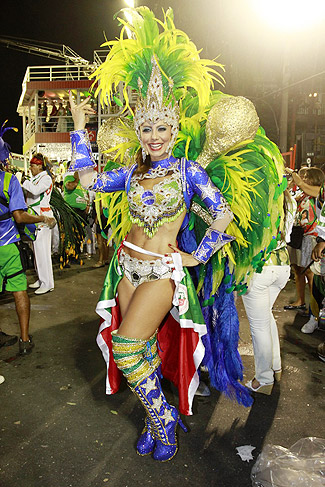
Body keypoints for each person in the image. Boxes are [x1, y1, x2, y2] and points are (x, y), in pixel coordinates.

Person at [67, 7, 285, 462]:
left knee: (125, 349)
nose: (153, 136)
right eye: (145, 127)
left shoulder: (188, 172)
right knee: (139, 350)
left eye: (162, 127)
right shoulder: (129, 174)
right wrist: (77, 129)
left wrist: (197, 256)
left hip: (162, 272)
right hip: (125, 266)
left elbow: (223, 215)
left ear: (174, 127)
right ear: (140, 130)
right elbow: (87, 183)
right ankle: (154, 417)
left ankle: (165, 421)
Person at [0, 123, 55, 355]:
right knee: (19, 290)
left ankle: (45, 282)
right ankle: (24, 339)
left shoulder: (43, 178)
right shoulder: (8, 179)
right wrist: (41, 220)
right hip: (7, 243)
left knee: (42, 255)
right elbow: (19, 215)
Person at [242, 190, 296, 394]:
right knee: (266, 318)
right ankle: (275, 367)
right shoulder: (288, 199)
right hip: (282, 267)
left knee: (259, 327)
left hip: (261, 268)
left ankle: (263, 379)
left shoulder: (257, 198)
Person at [284, 167, 324, 312]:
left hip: (312, 237)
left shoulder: (318, 192)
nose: (304, 178)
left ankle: (315, 309)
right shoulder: (303, 194)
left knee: (310, 272)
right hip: (298, 235)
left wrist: (296, 177)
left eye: (307, 176)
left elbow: (303, 185)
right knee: (298, 269)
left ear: (316, 178)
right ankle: (301, 301)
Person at [22, 153, 55, 294]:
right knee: (37, 251)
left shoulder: (46, 178)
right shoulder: (36, 178)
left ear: (39, 166)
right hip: (35, 217)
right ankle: (41, 279)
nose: (30, 168)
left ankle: (47, 283)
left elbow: (35, 190)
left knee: (43, 252)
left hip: (43, 218)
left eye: (32, 165)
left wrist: (23, 181)